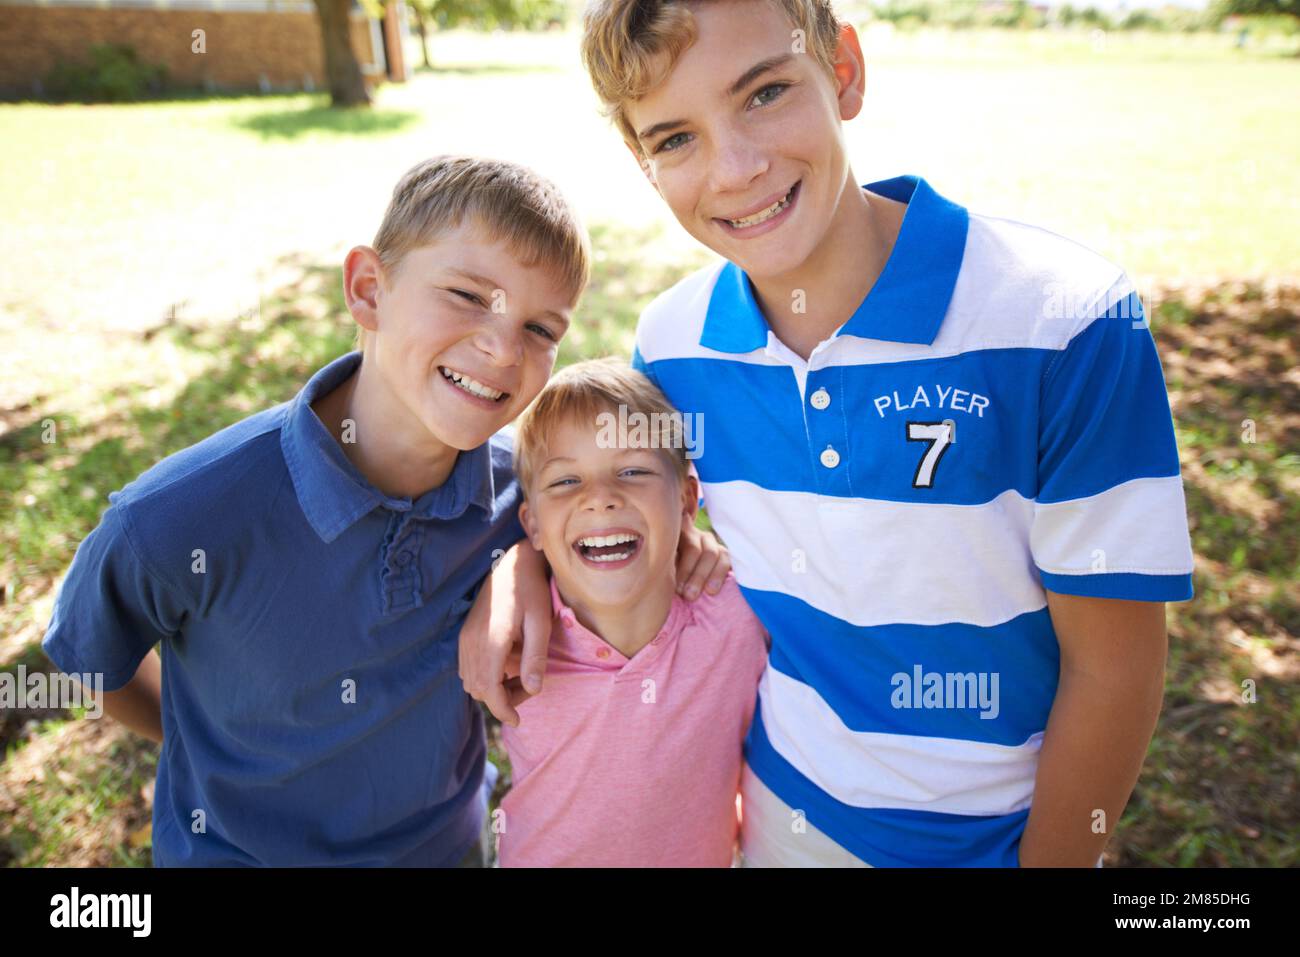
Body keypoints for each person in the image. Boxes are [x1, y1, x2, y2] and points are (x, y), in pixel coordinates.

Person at [460, 0, 1195, 867]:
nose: (736, 169)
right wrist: (522, 564)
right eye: (674, 138)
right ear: (641, 160)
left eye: (766, 93)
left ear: (842, 70)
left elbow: (1115, 668)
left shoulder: (1065, 322)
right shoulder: (674, 347)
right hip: (780, 827)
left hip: (1007, 838)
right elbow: (603, 489)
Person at [494, 358, 768, 866]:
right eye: (564, 481)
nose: (600, 498)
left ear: (688, 500)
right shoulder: (513, 638)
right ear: (531, 525)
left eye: (632, 471)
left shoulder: (741, 618)